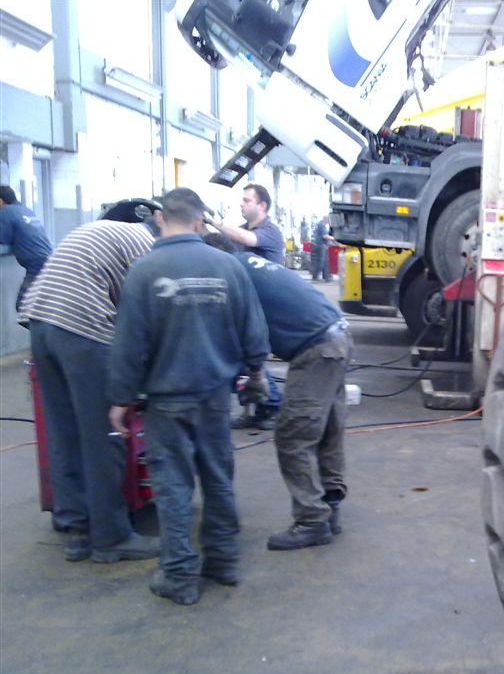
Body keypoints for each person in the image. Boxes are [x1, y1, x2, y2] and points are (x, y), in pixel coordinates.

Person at [108, 188, 270, 606]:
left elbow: (128, 344)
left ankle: (179, 577)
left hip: (166, 401)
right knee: (218, 478)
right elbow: (254, 331)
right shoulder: (227, 265)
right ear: (200, 221)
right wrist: (255, 371)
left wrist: (121, 397)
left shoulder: (144, 270)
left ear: (161, 218)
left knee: (173, 487)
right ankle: (223, 561)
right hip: (214, 397)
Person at [21, 217, 161, 563]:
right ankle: (111, 537)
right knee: (103, 433)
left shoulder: (102, 231)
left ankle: (76, 528)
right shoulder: (146, 245)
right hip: (81, 327)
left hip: (40, 324)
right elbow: (140, 317)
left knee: (63, 431)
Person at [204, 232, 351, 551]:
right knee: (326, 431)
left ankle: (312, 520)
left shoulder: (230, 274)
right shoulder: (250, 263)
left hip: (316, 349)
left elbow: (248, 332)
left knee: (293, 436)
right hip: (337, 337)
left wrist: (253, 374)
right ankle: (329, 506)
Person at [209, 183, 283, 429]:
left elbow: (245, 239)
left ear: (262, 205)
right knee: (240, 359)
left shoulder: (269, 232)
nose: (241, 203)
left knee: (252, 357)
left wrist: (216, 223)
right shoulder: (239, 231)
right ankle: (252, 409)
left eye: (247, 200)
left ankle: (273, 405)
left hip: (263, 306)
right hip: (241, 305)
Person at [0, 185, 52, 312]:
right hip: (50, 260)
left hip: (37, 265)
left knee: (23, 306)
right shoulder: (26, 210)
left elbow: (3, 239)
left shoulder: (5, 211)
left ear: (0, 201)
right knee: (38, 306)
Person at [309, 214, 337, 282]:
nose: (329, 222)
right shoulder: (322, 225)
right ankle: (318, 276)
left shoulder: (319, 224)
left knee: (322, 261)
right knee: (322, 261)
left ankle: (325, 276)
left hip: (318, 245)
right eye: (328, 220)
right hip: (321, 245)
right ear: (326, 219)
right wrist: (334, 238)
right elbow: (325, 236)